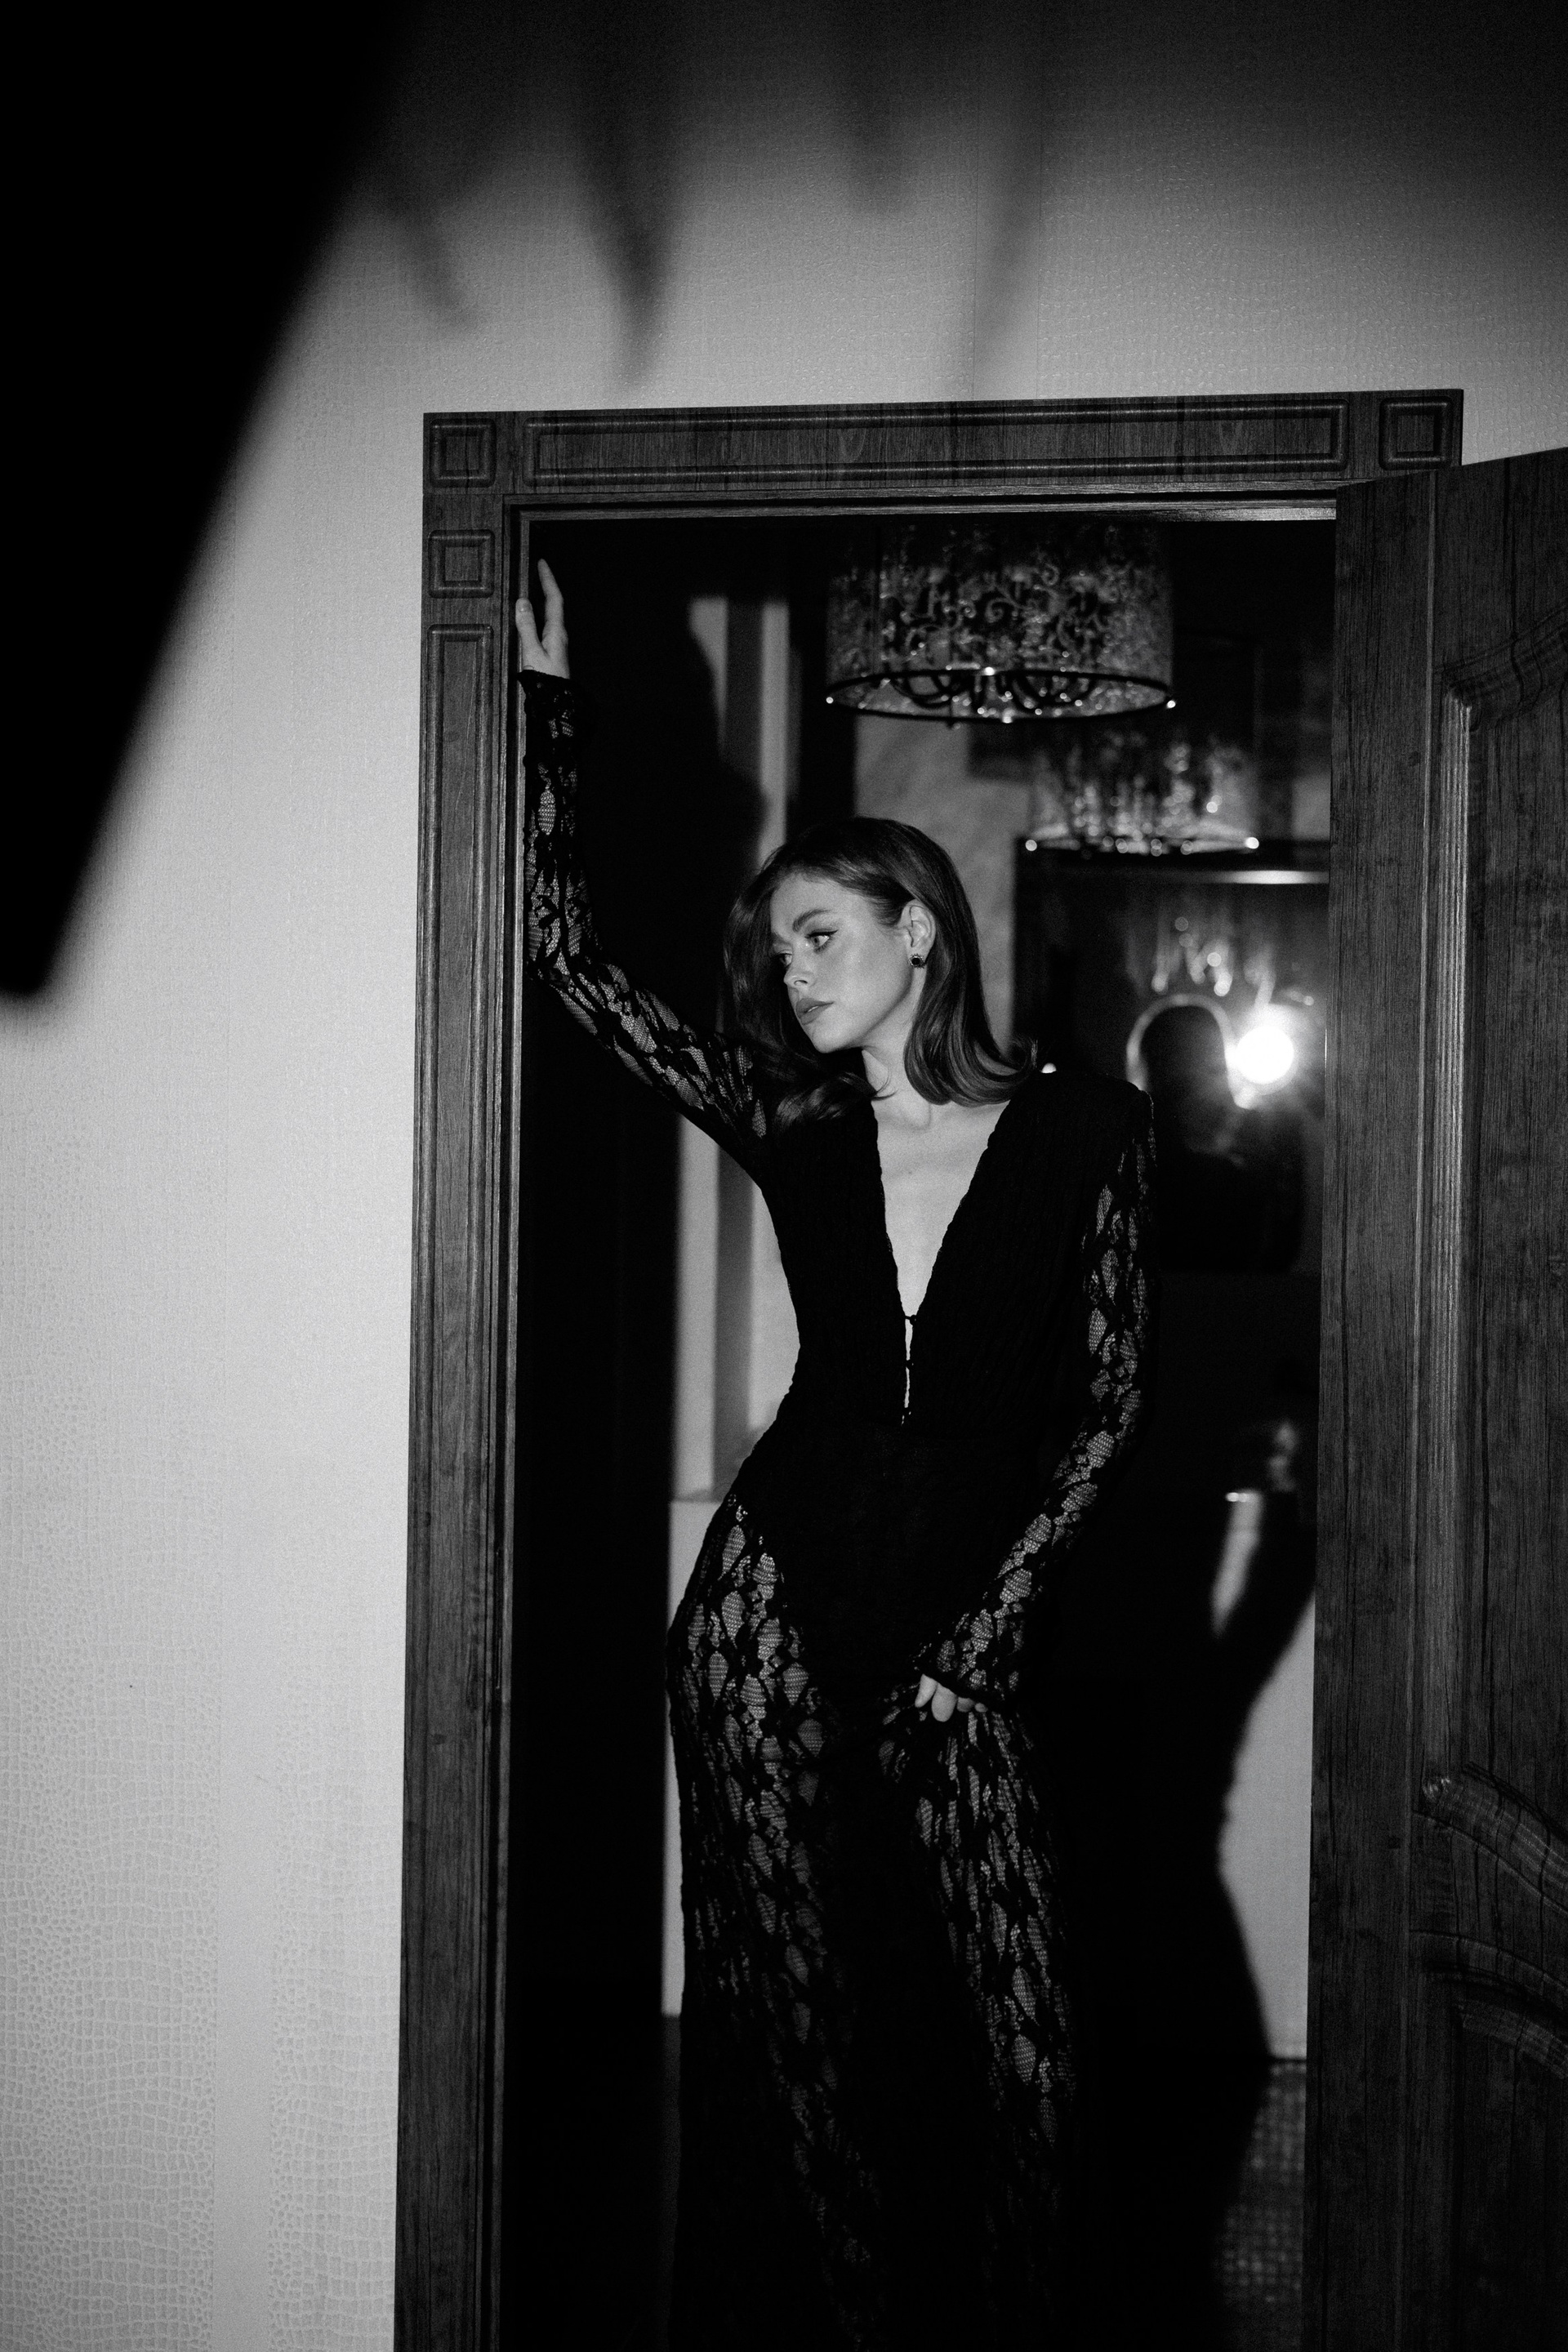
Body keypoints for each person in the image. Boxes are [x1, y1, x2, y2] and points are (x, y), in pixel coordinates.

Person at [518, 560, 1156, 2349]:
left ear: (918, 930)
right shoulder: (790, 1120)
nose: (787, 970)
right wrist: (550, 713)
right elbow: (571, 968)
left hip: (964, 1622)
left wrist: (990, 1633)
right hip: (775, 1607)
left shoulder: (1089, 1135)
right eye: (777, 947)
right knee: (798, 2027)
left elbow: (1112, 1404)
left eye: (818, 935)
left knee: (1031, 2056)